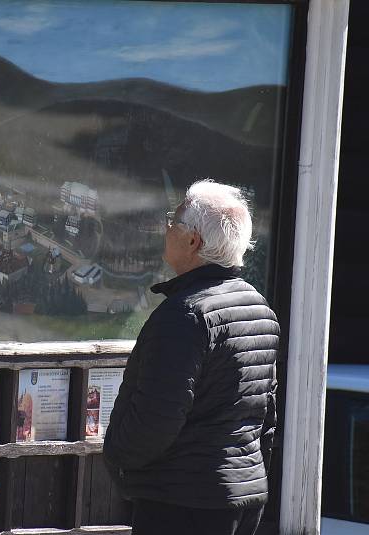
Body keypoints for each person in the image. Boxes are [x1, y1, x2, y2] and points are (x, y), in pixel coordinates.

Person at [103, 180, 279, 535]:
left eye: (174, 220)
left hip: (184, 501)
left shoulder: (186, 315)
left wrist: (118, 460)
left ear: (193, 241)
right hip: (242, 494)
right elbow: (267, 414)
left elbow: (156, 418)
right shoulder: (257, 306)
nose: (166, 228)